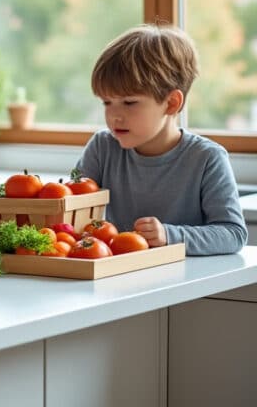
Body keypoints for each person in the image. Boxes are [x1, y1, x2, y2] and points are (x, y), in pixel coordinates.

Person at [76, 24, 247, 255]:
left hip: (186, 284)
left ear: (171, 103)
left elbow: (233, 234)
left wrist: (169, 235)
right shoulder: (102, 147)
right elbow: (73, 212)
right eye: (107, 102)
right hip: (117, 280)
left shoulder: (207, 158)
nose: (114, 115)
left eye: (129, 103)